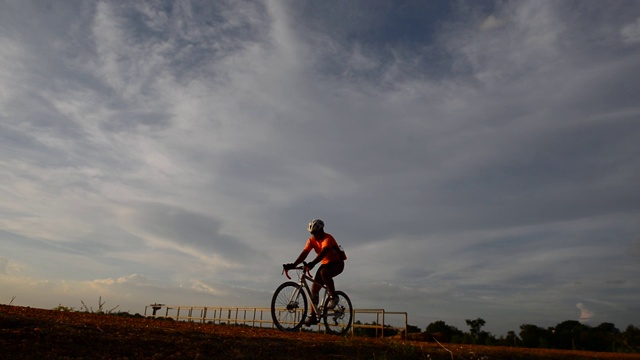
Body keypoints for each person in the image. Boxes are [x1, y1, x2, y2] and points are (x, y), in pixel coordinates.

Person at [284, 219, 346, 326]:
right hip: (326, 264)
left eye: (316, 233)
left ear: (322, 230)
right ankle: (313, 317)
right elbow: (304, 253)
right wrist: (293, 264)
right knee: (314, 290)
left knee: (324, 273)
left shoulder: (328, 238)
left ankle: (334, 296)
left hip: (337, 263)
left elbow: (323, 252)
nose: (314, 235)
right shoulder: (311, 240)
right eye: (312, 233)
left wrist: (312, 263)